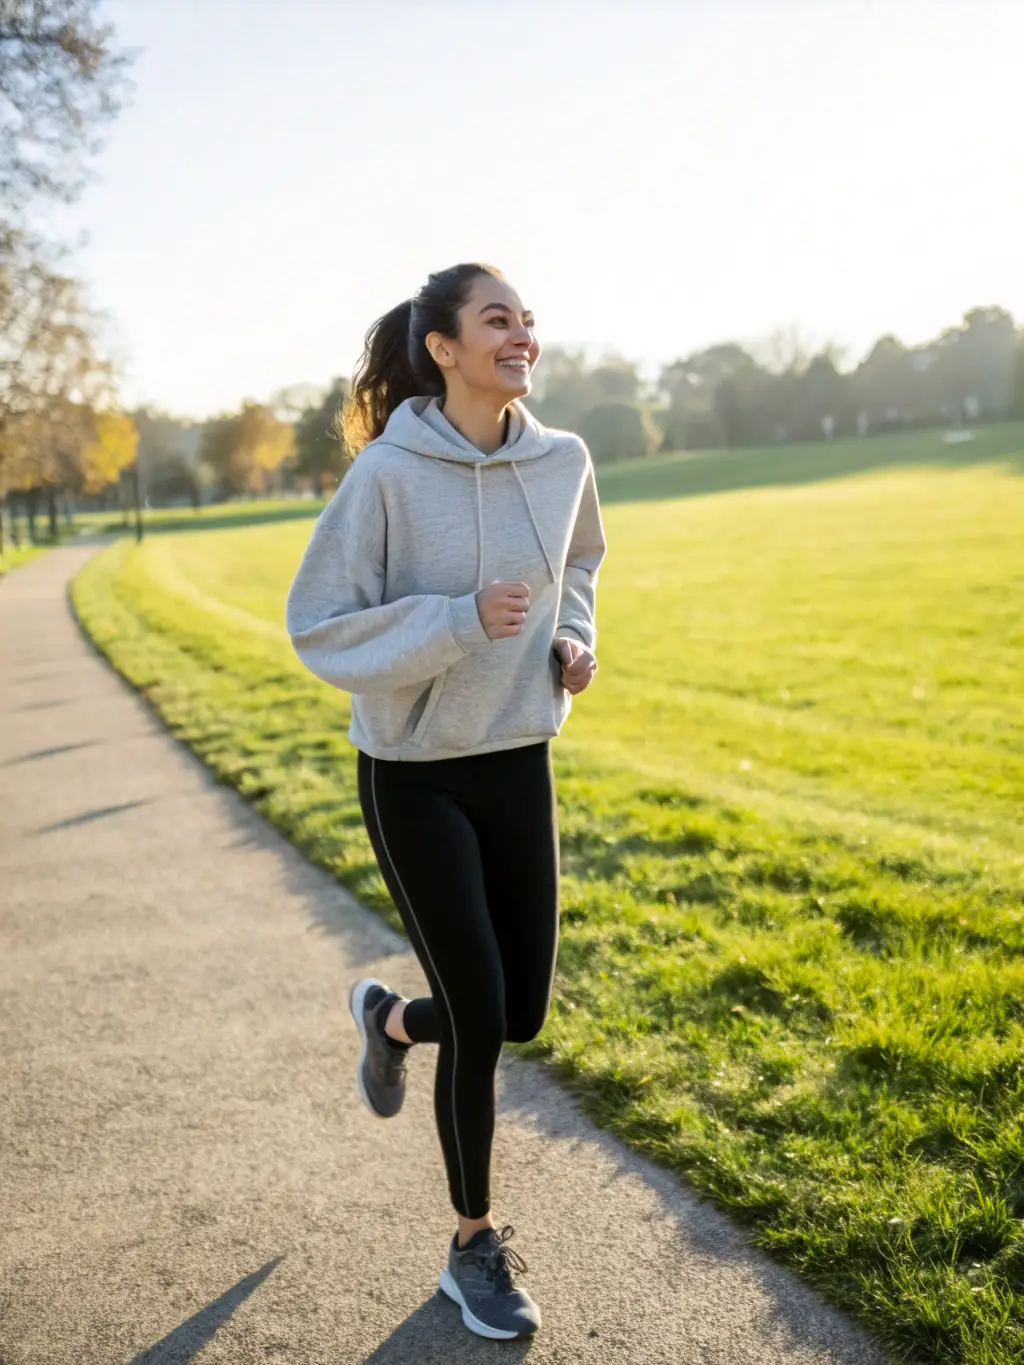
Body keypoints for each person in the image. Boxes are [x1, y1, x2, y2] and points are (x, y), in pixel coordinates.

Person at [285, 262, 606, 1340]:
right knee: (479, 1013)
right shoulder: (385, 474)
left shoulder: (561, 460)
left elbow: (584, 565)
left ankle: (386, 1019)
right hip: (414, 773)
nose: (521, 335)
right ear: (443, 347)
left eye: (527, 320)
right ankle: (472, 1246)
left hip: (518, 757)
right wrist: (461, 620)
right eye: (497, 319)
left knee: (516, 1014)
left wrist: (575, 640)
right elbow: (321, 626)